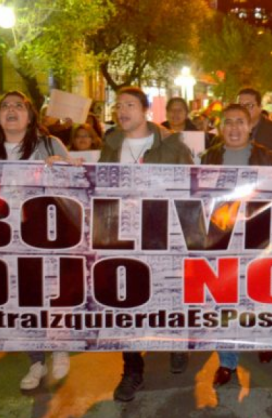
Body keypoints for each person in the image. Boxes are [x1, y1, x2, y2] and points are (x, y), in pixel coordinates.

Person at [97, 87, 194, 402]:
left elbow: (190, 190)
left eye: (129, 105)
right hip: (122, 236)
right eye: (118, 105)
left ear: (146, 111)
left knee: (168, 293)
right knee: (125, 300)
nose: (122, 111)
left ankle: (175, 342)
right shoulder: (111, 145)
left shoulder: (172, 145)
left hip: (163, 234)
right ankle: (132, 369)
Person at [0, 91, 72, 390]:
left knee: (52, 294)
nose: (12, 110)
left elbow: (75, 190)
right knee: (23, 300)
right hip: (6, 238)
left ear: (30, 116)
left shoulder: (49, 145)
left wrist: (64, 170)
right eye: (5, 106)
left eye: (19, 106)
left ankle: (60, 346)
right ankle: (35, 361)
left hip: (47, 235)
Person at [201, 104, 272, 388]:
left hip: (258, 236)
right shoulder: (208, 157)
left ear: (250, 127)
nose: (234, 128)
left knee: (260, 293)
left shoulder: (268, 157)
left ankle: (263, 339)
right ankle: (227, 361)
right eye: (228, 123)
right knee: (223, 299)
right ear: (220, 128)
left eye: (240, 122)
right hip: (220, 237)